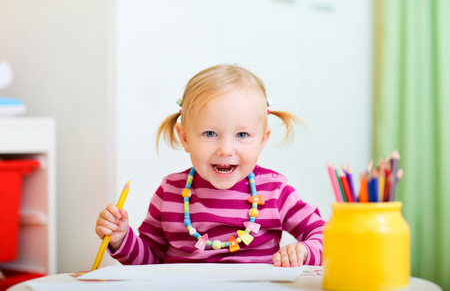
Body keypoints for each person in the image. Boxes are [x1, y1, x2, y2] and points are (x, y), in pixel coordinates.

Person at [95, 64, 325, 267]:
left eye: (242, 134)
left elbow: (326, 235)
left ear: (262, 140)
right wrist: (121, 239)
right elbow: (149, 262)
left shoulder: (274, 191)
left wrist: (304, 250)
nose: (225, 149)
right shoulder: (170, 192)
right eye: (210, 133)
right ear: (185, 138)